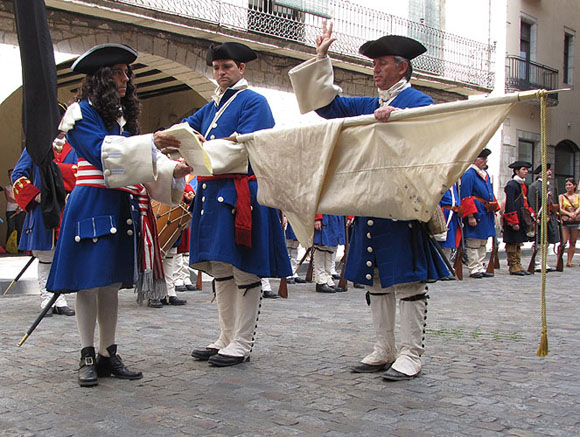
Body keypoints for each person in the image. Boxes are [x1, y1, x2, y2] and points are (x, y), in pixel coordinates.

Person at [289, 22, 449, 381]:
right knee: (376, 279)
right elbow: (327, 107)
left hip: (401, 205)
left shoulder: (418, 102)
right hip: (368, 204)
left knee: (407, 281)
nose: (374, 70)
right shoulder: (368, 103)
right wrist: (321, 58)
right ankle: (384, 348)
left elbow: (428, 139)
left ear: (402, 66)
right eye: (373, 64)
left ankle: (410, 353)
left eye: (381, 64)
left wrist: (399, 121)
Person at [46, 43, 192, 387]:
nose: (126, 79)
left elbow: (137, 163)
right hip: (93, 202)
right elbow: (101, 154)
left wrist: (174, 170)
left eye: (127, 73)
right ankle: (86, 353)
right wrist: (152, 142)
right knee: (88, 284)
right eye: (118, 73)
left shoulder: (119, 120)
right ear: (102, 78)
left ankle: (108, 353)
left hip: (117, 204)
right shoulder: (79, 113)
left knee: (109, 285)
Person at [186, 42, 291, 367]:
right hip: (215, 194)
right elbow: (186, 130)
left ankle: (242, 342)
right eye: (217, 67)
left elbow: (245, 146)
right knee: (221, 267)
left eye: (227, 67)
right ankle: (225, 336)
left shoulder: (254, 101)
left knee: (244, 267)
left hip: (240, 194)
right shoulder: (213, 105)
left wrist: (202, 147)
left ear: (241, 68)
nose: (221, 73)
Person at [11, 108, 77, 317]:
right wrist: (37, 196)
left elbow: (80, 173)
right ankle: (47, 298)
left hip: (67, 208)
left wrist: (59, 174)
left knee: (62, 255)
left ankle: (59, 297)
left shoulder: (75, 147)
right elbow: (19, 176)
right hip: (44, 210)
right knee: (47, 256)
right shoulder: (34, 149)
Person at [460, 149, 499, 278]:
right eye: (482, 159)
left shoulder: (484, 174)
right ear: (475, 160)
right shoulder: (469, 174)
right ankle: (473, 268)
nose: (485, 162)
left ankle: (480, 266)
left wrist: (493, 208)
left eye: (485, 159)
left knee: (483, 241)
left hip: (485, 211)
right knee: (474, 242)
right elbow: (466, 196)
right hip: (476, 212)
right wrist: (470, 215)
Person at [503, 161, 534, 276]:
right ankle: (513, 265)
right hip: (514, 218)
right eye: (523, 169)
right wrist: (513, 221)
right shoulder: (512, 185)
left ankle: (518, 264)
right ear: (516, 171)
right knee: (512, 242)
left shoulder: (523, 185)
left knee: (518, 242)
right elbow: (510, 205)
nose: (526, 172)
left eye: (526, 169)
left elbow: (526, 202)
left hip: (521, 217)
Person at [527, 164, 558, 272]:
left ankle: (544, 262)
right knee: (539, 242)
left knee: (547, 241)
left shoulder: (548, 186)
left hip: (549, 217)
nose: (549, 172)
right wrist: (535, 217)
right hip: (540, 217)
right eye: (547, 170)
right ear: (541, 173)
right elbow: (531, 203)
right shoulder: (534, 186)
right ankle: (537, 263)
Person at [312, 214, 345, 293]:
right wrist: (317, 218)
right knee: (321, 247)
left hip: (335, 216)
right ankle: (321, 281)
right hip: (325, 216)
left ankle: (328, 278)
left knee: (331, 248)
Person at [438, 184, 462, 278]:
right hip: (444, 215)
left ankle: (446, 268)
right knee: (441, 244)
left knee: (449, 244)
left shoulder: (452, 185)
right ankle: (441, 269)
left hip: (452, 216)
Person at [559, 178, 580, 267]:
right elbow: (560, 208)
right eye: (567, 185)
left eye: (570, 185)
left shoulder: (578, 196)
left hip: (575, 220)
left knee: (573, 242)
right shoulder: (562, 196)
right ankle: (559, 259)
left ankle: (569, 261)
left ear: (574, 186)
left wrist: (575, 213)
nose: (568, 186)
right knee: (563, 242)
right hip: (566, 221)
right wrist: (569, 214)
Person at [4, 169, 25, 246]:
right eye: (9, 174)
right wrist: (18, 202)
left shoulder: (20, 187)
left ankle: (19, 247)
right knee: (11, 228)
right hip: (10, 210)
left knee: (19, 228)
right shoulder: (7, 188)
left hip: (20, 210)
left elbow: (23, 198)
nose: (11, 176)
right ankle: (9, 247)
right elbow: (9, 199)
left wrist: (19, 207)